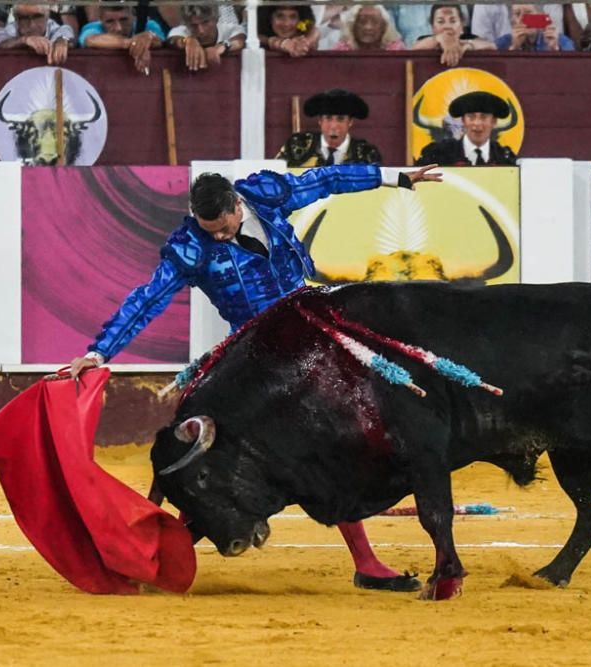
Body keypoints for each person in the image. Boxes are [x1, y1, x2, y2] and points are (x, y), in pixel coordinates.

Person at [68, 162, 442, 592]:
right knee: (217, 448)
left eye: (224, 227)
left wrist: (394, 177)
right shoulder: (191, 246)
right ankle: (157, 551)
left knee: (332, 444)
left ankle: (366, 561)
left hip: (312, 335)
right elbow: (147, 299)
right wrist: (100, 351)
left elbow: (326, 181)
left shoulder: (266, 194)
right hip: (255, 355)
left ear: (236, 205)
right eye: (211, 230)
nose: (220, 237)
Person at [276, 89, 383, 167]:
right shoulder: (297, 145)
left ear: (350, 122)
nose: (333, 126)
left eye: (340, 119)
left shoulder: (367, 153)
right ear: (320, 121)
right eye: (328, 118)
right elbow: (275, 177)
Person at [416, 91, 519, 166]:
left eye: (484, 117)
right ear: (463, 121)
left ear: (494, 121)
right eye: (471, 117)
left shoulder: (504, 158)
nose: (477, 123)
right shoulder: (439, 154)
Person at [78, 1, 165, 74]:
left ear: (134, 15)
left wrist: (149, 37)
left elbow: (159, 41)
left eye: (124, 20)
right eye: (110, 21)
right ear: (100, 19)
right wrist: (135, 44)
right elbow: (91, 40)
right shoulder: (92, 27)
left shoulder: (149, 25)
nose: (118, 28)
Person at [411, 3, 495, 67]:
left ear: (462, 25)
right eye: (441, 21)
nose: (447, 26)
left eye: (453, 21)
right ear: (432, 27)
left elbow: (492, 46)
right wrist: (438, 39)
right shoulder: (427, 40)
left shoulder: (469, 38)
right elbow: (414, 48)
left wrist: (467, 45)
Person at [167, 4, 245, 72]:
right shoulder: (182, 30)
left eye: (205, 22)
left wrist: (221, 46)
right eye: (193, 25)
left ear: (216, 19)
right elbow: (173, 39)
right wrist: (188, 41)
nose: (201, 30)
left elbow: (239, 40)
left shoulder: (230, 29)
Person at [0, 3, 74, 64]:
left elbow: (66, 31)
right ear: (16, 19)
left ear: (47, 16)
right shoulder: (10, 29)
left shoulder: (54, 27)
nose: (32, 24)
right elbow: (1, 41)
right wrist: (25, 40)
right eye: (24, 18)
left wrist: (62, 40)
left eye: (37, 17)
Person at [496, 3, 576, 51]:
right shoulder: (503, 42)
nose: (522, 19)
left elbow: (571, 70)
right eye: (517, 14)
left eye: (528, 13)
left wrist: (554, 49)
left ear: (540, 15)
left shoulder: (561, 41)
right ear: (512, 20)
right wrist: (514, 48)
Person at [333, 4, 404, 51]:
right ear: (352, 27)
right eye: (362, 21)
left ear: (384, 27)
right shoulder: (341, 50)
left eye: (375, 22)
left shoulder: (396, 50)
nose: (368, 27)